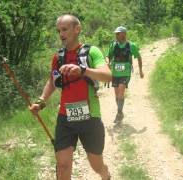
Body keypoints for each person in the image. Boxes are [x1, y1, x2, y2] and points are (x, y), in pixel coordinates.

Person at [29, 14, 111, 180]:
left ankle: (105, 174)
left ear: (77, 29)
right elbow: (52, 81)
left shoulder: (92, 52)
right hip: (65, 118)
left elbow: (107, 76)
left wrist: (83, 70)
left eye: (64, 29)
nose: (61, 34)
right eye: (58, 30)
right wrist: (41, 101)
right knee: (63, 165)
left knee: (96, 164)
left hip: (90, 117)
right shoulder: (58, 57)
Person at [105, 26, 144, 124]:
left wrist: (140, 70)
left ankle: (118, 113)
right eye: (116, 34)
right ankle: (120, 112)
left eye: (118, 33)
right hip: (115, 73)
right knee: (117, 94)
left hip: (125, 73)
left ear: (124, 34)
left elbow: (139, 57)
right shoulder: (113, 45)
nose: (116, 35)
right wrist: (107, 63)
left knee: (121, 91)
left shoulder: (131, 45)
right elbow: (107, 56)